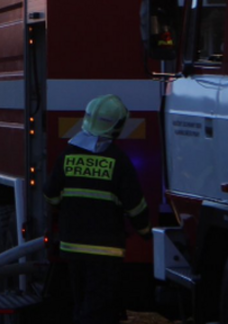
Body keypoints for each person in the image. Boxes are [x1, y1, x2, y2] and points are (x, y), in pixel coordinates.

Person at [44, 94, 151, 324]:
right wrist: (146, 233)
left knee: (82, 304)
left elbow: (50, 194)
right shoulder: (118, 161)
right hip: (105, 252)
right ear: (117, 126)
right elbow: (136, 206)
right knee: (98, 310)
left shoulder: (68, 156)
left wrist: (67, 206)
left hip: (72, 247)